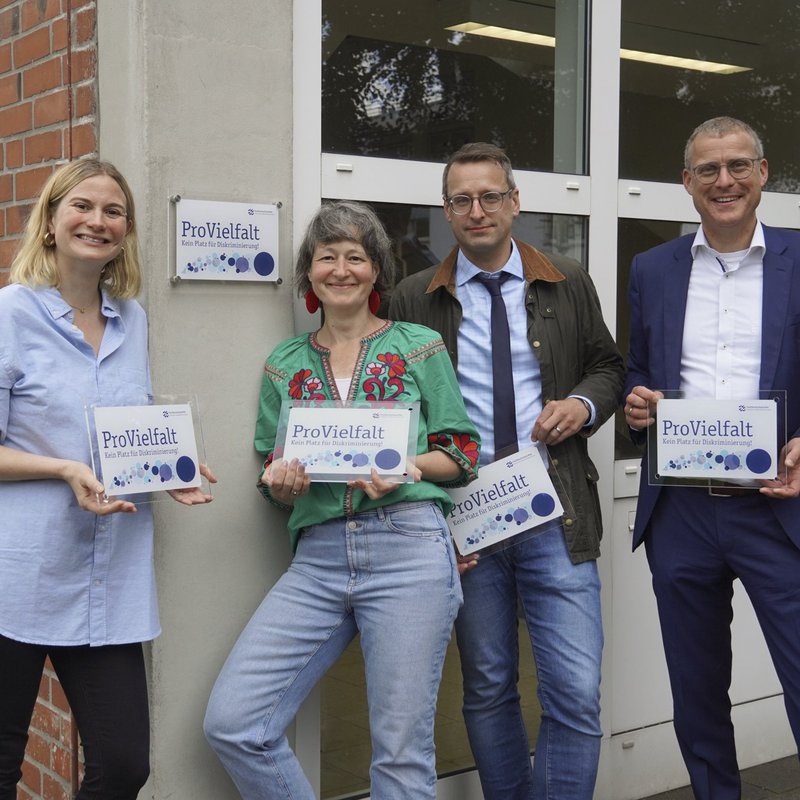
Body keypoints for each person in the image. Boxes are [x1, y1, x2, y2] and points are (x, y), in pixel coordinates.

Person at [203, 200, 480, 799]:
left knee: (401, 754)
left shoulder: (418, 346)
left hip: (409, 546)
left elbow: (459, 452)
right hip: (319, 557)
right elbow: (271, 470)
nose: (341, 268)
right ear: (309, 274)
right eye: (327, 257)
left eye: (356, 256)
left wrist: (406, 469)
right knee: (235, 723)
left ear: (377, 269)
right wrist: (279, 484)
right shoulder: (285, 364)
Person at [389, 142, 625, 800]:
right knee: (489, 686)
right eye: (462, 199)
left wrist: (581, 406)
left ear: (514, 203)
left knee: (575, 690)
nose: (477, 210)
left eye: (491, 195)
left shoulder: (566, 281)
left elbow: (609, 367)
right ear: (447, 212)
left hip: (557, 512)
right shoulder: (415, 297)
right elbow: (402, 412)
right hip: (468, 523)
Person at [0, 158, 216, 800]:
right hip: (19, 571)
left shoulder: (133, 319)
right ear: (51, 221)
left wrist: (167, 467)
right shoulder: (10, 314)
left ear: (125, 231)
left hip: (107, 577)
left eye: (113, 211)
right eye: (83, 206)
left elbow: (126, 432)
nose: (98, 221)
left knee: (124, 766)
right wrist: (64, 468)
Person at [624, 116, 800, 799]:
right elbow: (642, 370)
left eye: (736, 166)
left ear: (762, 173)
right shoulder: (652, 268)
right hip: (683, 511)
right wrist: (642, 405)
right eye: (707, 170)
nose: (723, 181)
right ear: (686, 182)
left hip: (778, 509)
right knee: (695, 695)